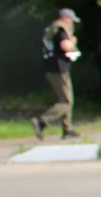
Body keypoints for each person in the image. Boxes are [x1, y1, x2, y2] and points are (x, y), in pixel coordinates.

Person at [32, 8, 82, 140]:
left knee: (65, 99)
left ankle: (67, 129)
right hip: (59, 69)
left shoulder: (51, 29)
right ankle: (42, 121)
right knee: (66, 101)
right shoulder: (61, 30)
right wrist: (73, 42)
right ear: (65, 18)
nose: (72, 23)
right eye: (71, 20)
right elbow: (65, 46)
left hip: (51, 68)